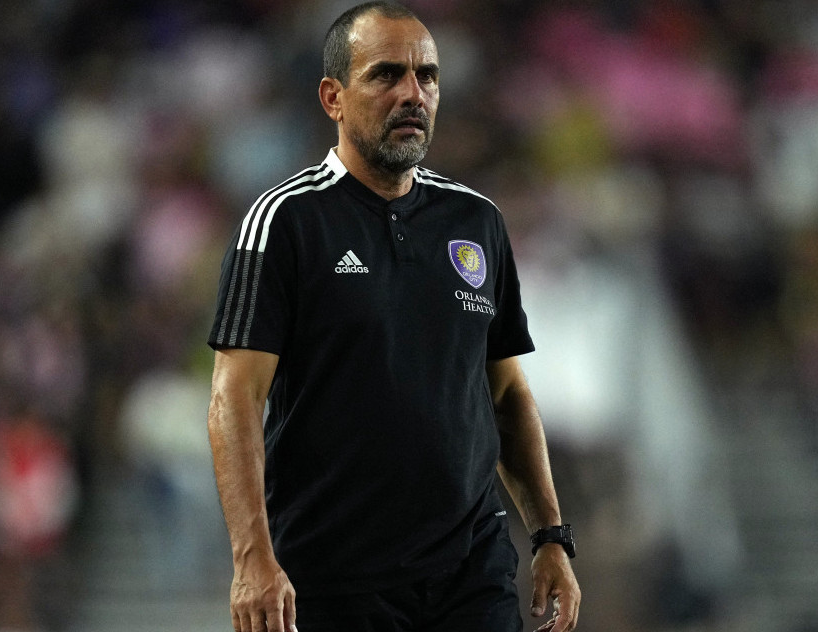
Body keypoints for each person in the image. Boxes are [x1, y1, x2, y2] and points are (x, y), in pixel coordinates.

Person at [204, 3, 580, 632]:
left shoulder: (476, 222)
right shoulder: (285, 222)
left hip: (471, 570)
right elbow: (233, 400)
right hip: (334, 575)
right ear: (333, 97)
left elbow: (507, 394)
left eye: (427, 76)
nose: (413, 93)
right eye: (385, 75)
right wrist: (252, 558)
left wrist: (549, 535)